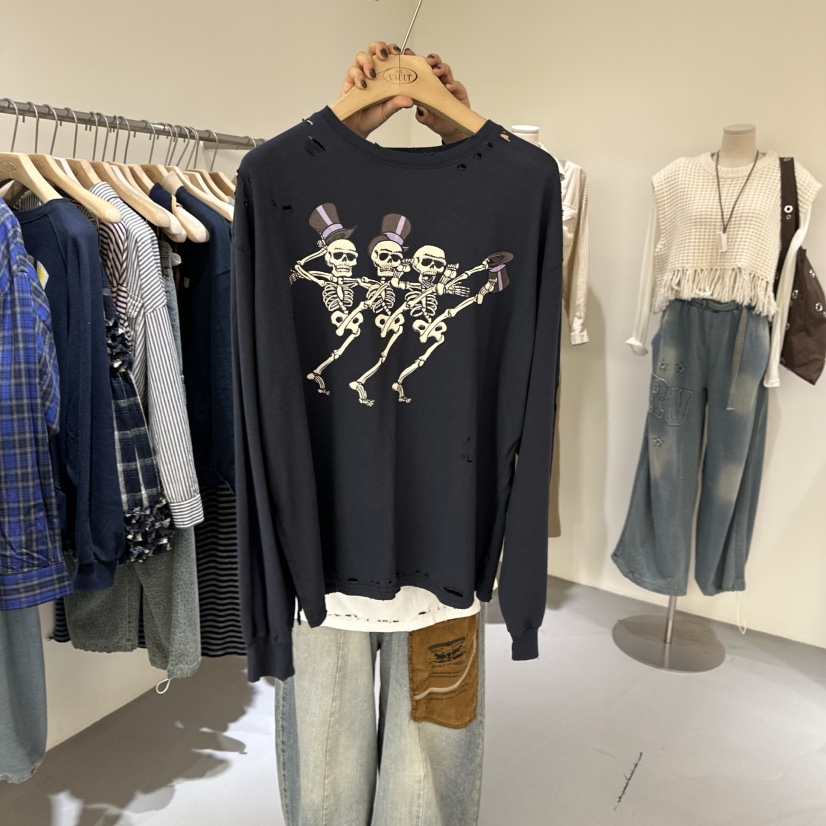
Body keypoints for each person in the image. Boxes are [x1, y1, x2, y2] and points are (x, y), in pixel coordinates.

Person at [273, 42, 488, 826]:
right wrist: (341, 135)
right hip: (325, 545)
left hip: (445, 545)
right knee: (333, 763)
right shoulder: (277, 189)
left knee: (419, 760)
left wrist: (467, 141)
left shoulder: (506, 195)